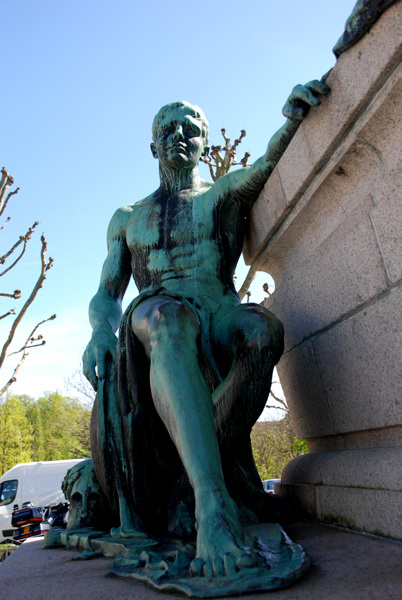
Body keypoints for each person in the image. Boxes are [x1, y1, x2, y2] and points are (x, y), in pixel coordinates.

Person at [83, 80, 329, 578]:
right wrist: (96, 333)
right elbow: (108, 295)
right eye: (166, 128)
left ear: (205, 143)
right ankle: (211, 504)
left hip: (218, 312)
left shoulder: (221, 192)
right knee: (168, 318)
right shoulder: (127, 218)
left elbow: (264, 167)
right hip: (157, 320)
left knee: (262, 330)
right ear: (152, 146)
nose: (178, 134)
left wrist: (293, 121)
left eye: (189, 129)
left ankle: (186, 464)